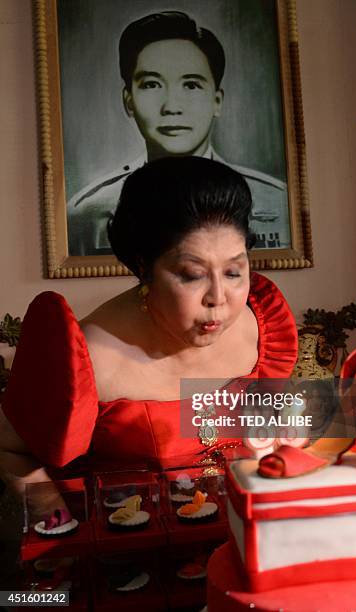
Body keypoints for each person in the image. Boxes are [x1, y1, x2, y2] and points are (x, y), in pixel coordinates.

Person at [0, 157, 297, 519]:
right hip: (131, 549)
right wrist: (58, 522)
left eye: (234, 271)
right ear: (144, 267)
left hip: (241, 532)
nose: (219, 298)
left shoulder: (260, 326)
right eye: (191, 275)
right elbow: (10, 448)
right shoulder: (88, 356)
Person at [68, 11, 290, 256]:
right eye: (152, 84)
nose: (172, 106)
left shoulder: (274, 201)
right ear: (128, 101)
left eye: (191, 85)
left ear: (217, 101)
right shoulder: (88, 213)